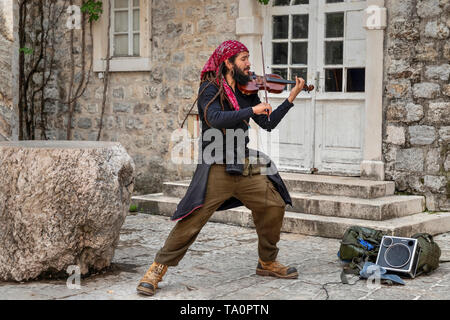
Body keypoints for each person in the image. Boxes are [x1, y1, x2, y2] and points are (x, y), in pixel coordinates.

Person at [136, 40, 306, 296]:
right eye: (243, 59)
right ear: (228, 63)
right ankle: (156, 269)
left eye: (249, 58)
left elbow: (267, 123)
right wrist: (251, 109)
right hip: (217, 163)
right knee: (192, 220)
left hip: (244, 161)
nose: (249, 64)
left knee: (273, 204)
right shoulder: (210, 88)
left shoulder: (247, 89)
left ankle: (267, 262)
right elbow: (213, 118)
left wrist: (290, 97)